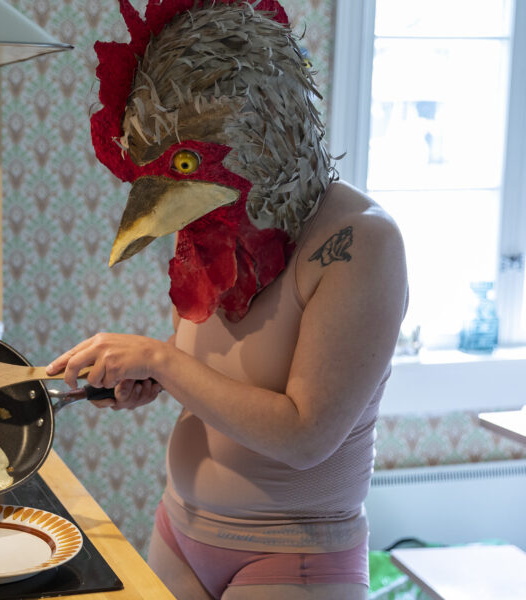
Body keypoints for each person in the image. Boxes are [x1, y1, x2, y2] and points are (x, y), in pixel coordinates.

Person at [45, 1, 409, 599]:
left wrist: (163, 361)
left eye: (185, 163)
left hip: (293, 556)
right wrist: (153, 377)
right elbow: (223, 376)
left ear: (261, 129)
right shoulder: (221, 210)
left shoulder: (363, 243)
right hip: (178, 531)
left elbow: (304, 436)